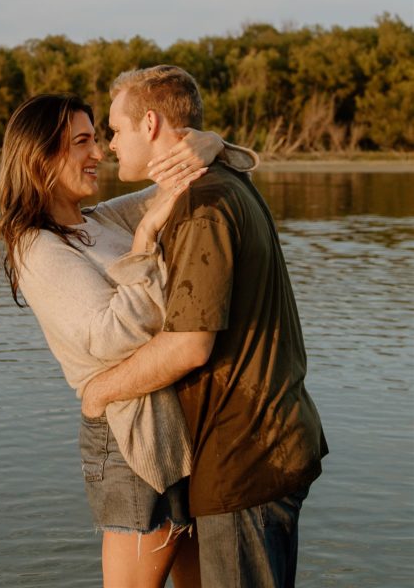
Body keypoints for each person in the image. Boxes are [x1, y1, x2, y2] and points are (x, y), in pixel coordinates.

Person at [0, 93, 258, 588]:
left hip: (174, 430)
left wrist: (207, 142)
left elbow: (201, 175)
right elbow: (109, 337)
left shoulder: (97, 222)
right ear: (40, 157)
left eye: (98, 138)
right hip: (130, 436)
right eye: (82, 142)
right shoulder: (37, 246)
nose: (99, 153)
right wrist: (145, 244)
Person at [82, 66, 328, 588]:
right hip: (265, 446)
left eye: (115, 129)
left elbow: (189, 345)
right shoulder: (223, 181)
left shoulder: (202, 205)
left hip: (246, 459)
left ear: (149, 124)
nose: (109, 145)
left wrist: (98, 390)